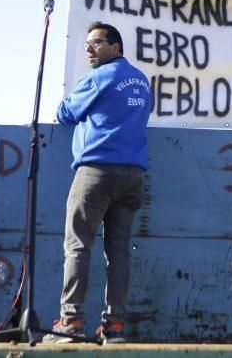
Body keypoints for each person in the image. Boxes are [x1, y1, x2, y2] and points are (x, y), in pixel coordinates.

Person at [43, 21, 151, 344]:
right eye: (87, 44)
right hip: (132, 176)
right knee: (119, 252)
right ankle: (115, 326)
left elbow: (64, 113)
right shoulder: (142, 82)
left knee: (78, 245)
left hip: (96, 172)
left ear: (116, 47)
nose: (89, 49)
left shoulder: (98, 77)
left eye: (96, 43)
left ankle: (70, 322)